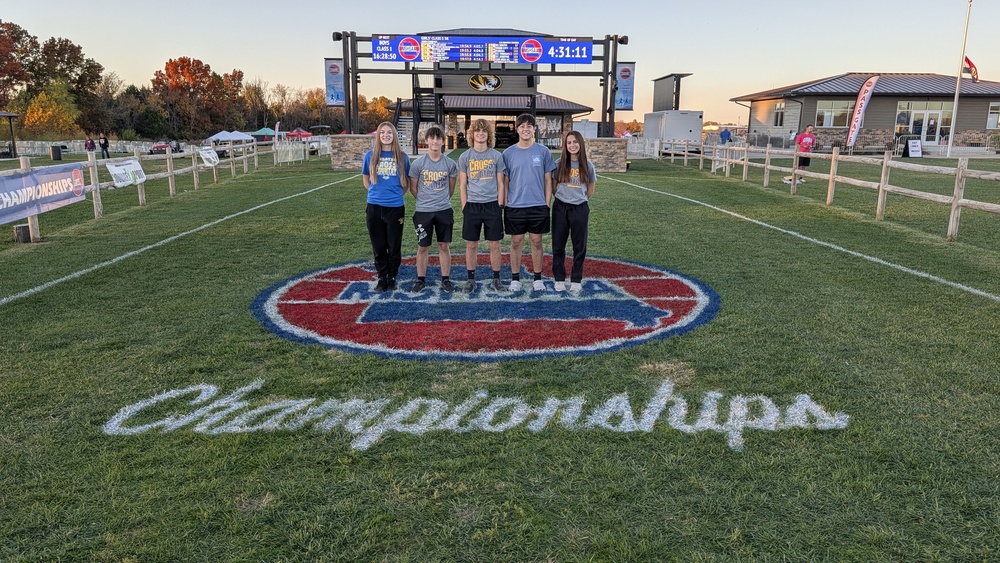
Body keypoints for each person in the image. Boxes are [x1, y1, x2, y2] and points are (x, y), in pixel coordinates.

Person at [502, 113, 556, 292]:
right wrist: (507, 202)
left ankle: (537, 278)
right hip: (515, 206)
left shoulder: (543, 151)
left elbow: (548, 180)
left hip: (538, 205)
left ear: (534, 129)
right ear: (517, 129)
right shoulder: (508, 153)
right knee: (516, 242)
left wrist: (546, 203)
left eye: (529, 126)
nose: (526, 129)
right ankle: (515, 279)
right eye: (522, 126)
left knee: (536, 241)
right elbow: (505, 181)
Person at [458, 118, 507, 293]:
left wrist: (500, 203)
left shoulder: (496, 156)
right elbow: (462, 184)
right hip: (473, 205)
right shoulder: (465, 156)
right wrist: (465, 206)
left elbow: (501, 182)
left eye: (484, 131)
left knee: (495, 244)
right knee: (471, 244)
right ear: (472, 134)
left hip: (492, 204)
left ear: (488, 134)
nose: (480, 133)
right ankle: (471, 279)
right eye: (477, 131)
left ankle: (496, 278)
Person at [408, 126, 458, 293]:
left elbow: (451, 189)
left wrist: (440, 201)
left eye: (438, 138)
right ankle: (421, 279)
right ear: (427, 140)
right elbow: (413, 188)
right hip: (423, 211)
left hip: (444, 210)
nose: (435, 141)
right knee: (423, 246)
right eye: (432, 138)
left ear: (443, 141)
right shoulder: (418, 164)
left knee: (444, 245)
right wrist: (425, 201)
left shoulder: (450, 164)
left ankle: (446, 279)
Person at [362, 121, 410, 292]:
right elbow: (366, 180)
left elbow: (406, 184)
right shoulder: (370, 155)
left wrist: (393, 195)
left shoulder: (402, 157)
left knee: (394, 244)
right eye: (382, 132)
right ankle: (382, 276)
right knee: (379, 245)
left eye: (389, 132)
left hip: (395, 207)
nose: (386, 135)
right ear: (378, 135)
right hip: (374, 206)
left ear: (394, 135)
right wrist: (378, 193)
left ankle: (392, 276)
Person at [550, 131, 597, 294]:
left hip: (580, 208)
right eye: (569, 142)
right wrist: (563, 198)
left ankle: (576, 279)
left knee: (579, 245)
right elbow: (553, 187)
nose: (572, 145)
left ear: (581, 144)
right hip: (561, 207)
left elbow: (590, 188)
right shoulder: (558, 164)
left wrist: (579, 199)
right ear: (565, 145)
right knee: (558, 244)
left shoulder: (588, 165)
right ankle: (559, 279)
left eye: (575, 142)